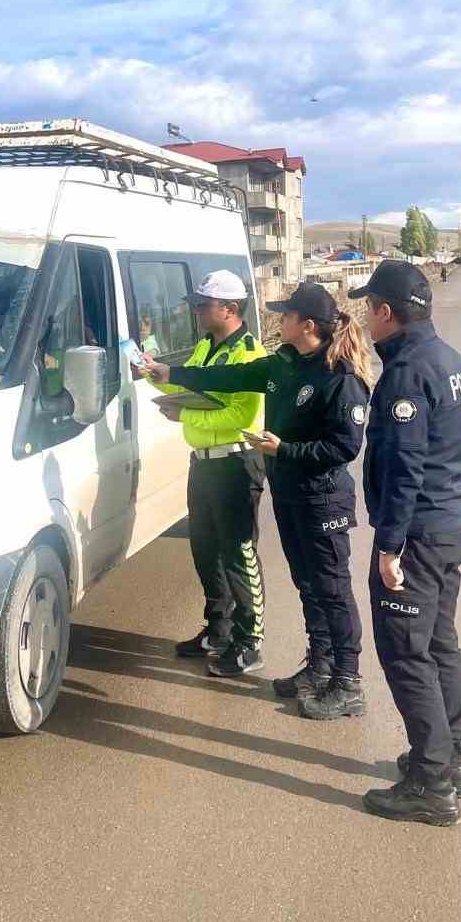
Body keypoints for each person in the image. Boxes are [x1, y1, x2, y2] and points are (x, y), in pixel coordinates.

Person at [145, 282, 372, 718]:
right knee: (309, 587)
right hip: (290, 495)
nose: (277, 319)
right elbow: (228, 377)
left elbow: (344, 448)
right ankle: (320, 667)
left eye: (285, 315)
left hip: (322, 500)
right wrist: (173, 375)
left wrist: (283, 450)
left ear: (307, 325)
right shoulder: (285, 365)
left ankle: (348, 680)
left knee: (333, 591)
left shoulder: (339, 377)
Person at [349, 261, 461, 827]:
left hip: (421, 532)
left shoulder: (406, 373)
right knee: (441, 644)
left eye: (368, 306)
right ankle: (449, 757)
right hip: (451, 524)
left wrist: (389, 548)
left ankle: (431, 782)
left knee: (407, 652)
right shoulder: (449, 359)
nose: (364, 317)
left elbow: (405, 466)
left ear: (385, 311)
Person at [145, 271, 268, 678]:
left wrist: (186, 411)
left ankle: (250, 642)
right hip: (202, 462)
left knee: (238, 553)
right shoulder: (205, 347)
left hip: (235, 462)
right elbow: (194, 389)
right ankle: (218, 630)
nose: (196, 311)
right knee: (204, 550)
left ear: (229, 309)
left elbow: (241, 414)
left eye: (203, 304)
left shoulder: (251, 356)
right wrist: (153, 372)